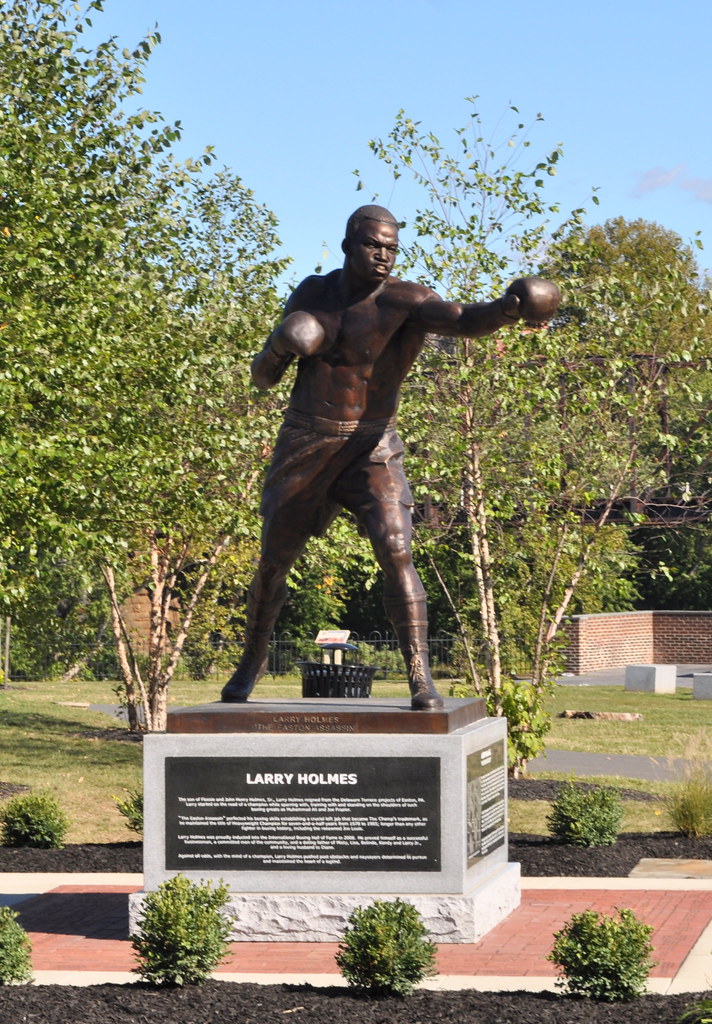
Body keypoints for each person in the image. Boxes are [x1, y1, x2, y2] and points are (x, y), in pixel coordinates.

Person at [222, 205, 559, 710]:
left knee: (396, 547)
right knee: (273, 561)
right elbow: (263, 379)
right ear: (348, 246)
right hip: (307, 440)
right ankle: (253, 658)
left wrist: (507, 308)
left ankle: (419, 675)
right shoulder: (312, 294)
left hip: (372, 444)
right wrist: (278, 345)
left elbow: (464, 320)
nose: (383, 255)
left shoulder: (407, 301)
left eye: (391, 248)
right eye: (372, 245)